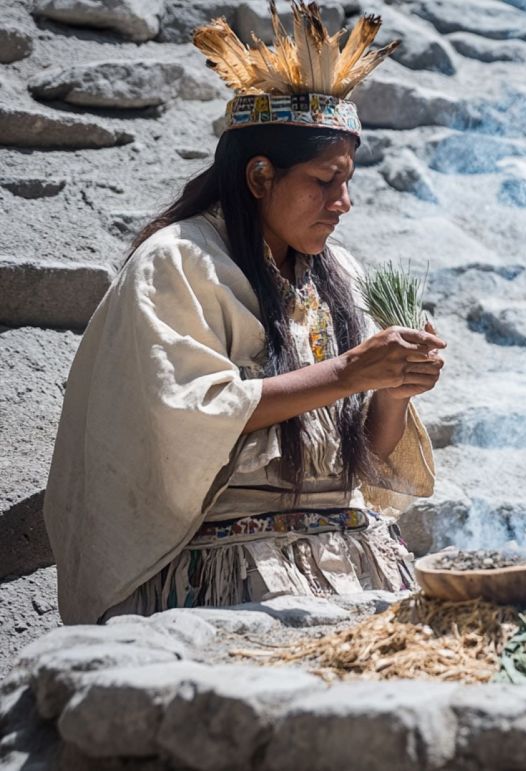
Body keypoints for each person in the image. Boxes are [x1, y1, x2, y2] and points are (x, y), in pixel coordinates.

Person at [44, 6, 445, 624]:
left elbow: (361, 456)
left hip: (349, 559)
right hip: (232, 575)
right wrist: (347, 372)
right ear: (260, 175)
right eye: (325, 180)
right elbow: (192, 417)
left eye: (348, 180)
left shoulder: (341, 274)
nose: (345, 202)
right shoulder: (177, 263)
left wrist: (392, 388)